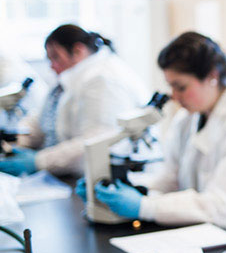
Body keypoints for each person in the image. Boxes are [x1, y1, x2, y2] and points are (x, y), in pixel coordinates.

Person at [77, 32, 226, 246]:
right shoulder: (188, 118)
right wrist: (123, 189)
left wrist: (143, 206)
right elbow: (171, 179)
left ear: (212, 76)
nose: (173, 96)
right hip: (209, 236)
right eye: (170, 86)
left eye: (180, 86)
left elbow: (223, 207)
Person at [0, 24, 148, 177]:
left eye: (56, 57)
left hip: (102, 177)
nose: (52, 66)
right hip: (72, 175)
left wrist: (40, 161)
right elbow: (44, 119)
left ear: (78, 51)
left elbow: (97, 141)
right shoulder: (72, 79)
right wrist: (16, 141)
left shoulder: (103, 80)